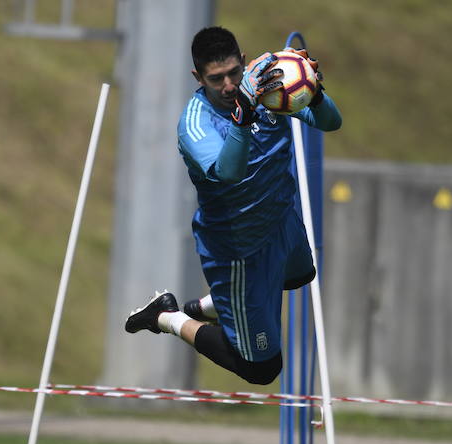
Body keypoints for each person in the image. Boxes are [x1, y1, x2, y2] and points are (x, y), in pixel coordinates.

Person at [124, 26, 342, 385]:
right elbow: (229, 173)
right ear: (198, 77)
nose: (227, 85)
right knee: (261, 369)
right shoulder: (194, 125)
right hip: (239, 249)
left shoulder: (267, 81)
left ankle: (210, 306)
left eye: (233, 73)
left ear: (243, 62)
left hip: (281, 223)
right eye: (216, 79)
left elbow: (331, 123)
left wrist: (313, 94)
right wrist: (243, 117)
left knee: (301, 275)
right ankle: (166, 315)